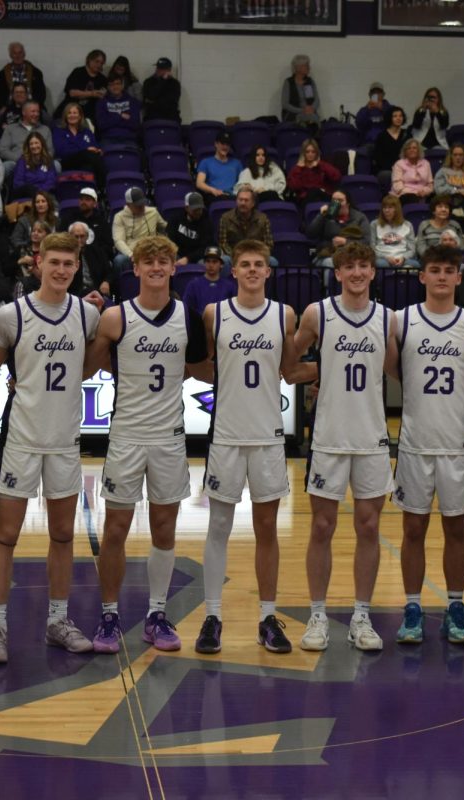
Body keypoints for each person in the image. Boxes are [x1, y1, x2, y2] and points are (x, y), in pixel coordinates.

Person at [0, 233, 103, 663]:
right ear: (38, 262)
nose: (62, 270)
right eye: (55, 263)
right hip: (22, 439)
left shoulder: (87, 315)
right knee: (6, 535)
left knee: (64, 534)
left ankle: (57, 620)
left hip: (65, 440)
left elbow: (89, 365)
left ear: (77, 264)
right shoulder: (12, 316)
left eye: (69, 263)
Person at [82, 236, 210, 653]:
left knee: (164, 529)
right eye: (148, 261)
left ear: (174, 268)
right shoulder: (116, 318)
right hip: (126, 436)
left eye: (164, 261)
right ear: (134, 269)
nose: (156, 267)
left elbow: (199, 367)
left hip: (169, 437)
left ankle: (157, 614)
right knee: (116, 528)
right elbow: (88, 366)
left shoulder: (188, 318)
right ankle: (109, 614)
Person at [290, 241, 396, 652]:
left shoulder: (387, 319)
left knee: (369, 527)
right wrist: (319, 370)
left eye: (362, 266)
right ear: (338, 273)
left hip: (371, 438)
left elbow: (396, 369)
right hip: (329, 437)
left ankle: (362, 616)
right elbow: (288, 363)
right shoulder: (319, 313)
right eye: (348, 266)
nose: (356, 273)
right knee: (321, 526)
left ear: (372, 272)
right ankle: (317, 615)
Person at [195, 239, 299, 655]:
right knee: (218, 528)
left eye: (259, 264)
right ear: (232, 271)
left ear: (268, 272)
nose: (253, 270)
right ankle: (212, 616)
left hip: (269, 436)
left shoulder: (284, 315)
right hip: (226, 435)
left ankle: (267, 618)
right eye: (245, 264)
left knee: (267, 530)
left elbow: (290, 370)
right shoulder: (213, 314)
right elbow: (200, 366)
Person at [390, 245, 464, 644]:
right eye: (435, 270)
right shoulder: (401, 321)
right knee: (413, 528)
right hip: (415, 443)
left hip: (458, 444)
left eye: (450, 270)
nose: (443, 276)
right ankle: (412, 607)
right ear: (422, 276)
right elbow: (395, 373)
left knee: (457, 531)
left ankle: (455, 606)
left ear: (459, 277)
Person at [309, 189, 370, 267]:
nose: (336, 203)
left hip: (352, 255)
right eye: (333, 200)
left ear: (348, 203)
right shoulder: (326, 216)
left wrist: (346, 242)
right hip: (328, 255)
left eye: (340, 200)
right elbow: (311, 234)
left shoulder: (359, 217)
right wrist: (321, 215)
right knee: (332, 263)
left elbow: (366, 241)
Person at [112, 187, 166, 272]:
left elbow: (165, 226)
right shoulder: (120, 217)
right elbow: (118, 241)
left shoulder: (153, 212)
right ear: (129, 204)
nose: (141, 207)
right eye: (138, 205)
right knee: (120, 260)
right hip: (131, 251)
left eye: (142, 203)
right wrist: (131, 255)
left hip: (152, 249)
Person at [0, 101, 53, 180]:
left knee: (56, 165)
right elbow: (3, 151)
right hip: (16, 162)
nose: (36, 114)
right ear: (24, 112)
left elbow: (50, 151)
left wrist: (37, 161)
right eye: (33, 111)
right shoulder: (11, 128)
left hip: (40, 163)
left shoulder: (45, 129)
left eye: (37, 111)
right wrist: (22, 161)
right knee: (6, 166)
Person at [52, 102, 103, 182]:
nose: (72, 115)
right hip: (67, 162)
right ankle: (102, 188)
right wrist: (85, 150)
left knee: (89, 166)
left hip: (86, 162)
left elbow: (95, 146)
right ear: (65, 116)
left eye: (75, 113)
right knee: (89, 156)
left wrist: (98, 150)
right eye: (69, 113)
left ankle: (95, 189)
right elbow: (61, 151)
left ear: (80, 116)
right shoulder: (59, 131)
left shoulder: (87, 131)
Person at [59, 187, 113, 261]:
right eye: (81, 199)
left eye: (87, 199)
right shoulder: (69, 219)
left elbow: (108, 247)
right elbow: (60, 240)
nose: (83, 202)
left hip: (97, 260)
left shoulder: (102, 222)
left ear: (95, 204)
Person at [181, 245, 236, 316]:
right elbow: (186, 310)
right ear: (204, 263)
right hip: (199, 325)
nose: (211, 265)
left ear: (221, 264)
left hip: (223, 324)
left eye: (214, 262)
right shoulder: (193, 285)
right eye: (208, 261)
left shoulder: (230, 286)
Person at [219, 186, 274, 258]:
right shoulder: (225, 218)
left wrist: (256, 256)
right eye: (240, 200)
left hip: (256, 255)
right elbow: (223, 243)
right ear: (236, 201)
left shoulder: (263, 219)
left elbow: (268, 244)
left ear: (253, 203)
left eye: (246, 200)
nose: (243, 203)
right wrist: (235, 256)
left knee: (272, 261)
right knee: (225, 259)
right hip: (233, 256)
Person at [0, 43, 49, 110]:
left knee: (46, 118)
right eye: (14, 53)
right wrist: (3, 107)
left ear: (24, 54)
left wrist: (33, 106)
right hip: (9, 107)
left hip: (32, 107)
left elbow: (41, 94)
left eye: (20, 53)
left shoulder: (36, 73)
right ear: (10, 55)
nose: (18, 56)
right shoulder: (1, 75)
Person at [66, 221, 113, 298]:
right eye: (76, 237)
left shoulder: (97, 251)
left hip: (97, 292)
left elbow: (109, 272)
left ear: (87, 236)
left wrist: (106, 282)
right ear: (70, 237)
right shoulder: (65, 254)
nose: (79, 240)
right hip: (74, 295)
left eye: (82, 236)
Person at [287, 139, 340, 208]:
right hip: (305, 200)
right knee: (313, 191)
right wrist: (299, 168)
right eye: (307, 152)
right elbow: (294, 186)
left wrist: (320, 165)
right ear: (303, 153)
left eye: (313, 152)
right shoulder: (297, 168)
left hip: (323, 196)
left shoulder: (322, 165)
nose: (310, 154)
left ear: (317, 153)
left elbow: (336, 177)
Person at [59, 49, 108, 122]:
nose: (99, 65)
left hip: (90, 113)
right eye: (97, 61)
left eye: (101, 63)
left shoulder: (102, 79)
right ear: (89, 60)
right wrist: (92, 94)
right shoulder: (78, 72)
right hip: (72, 108)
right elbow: (72, 93)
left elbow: (103, 96)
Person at [370, 195, 418, 269]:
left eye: (390, 207)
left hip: (402, 257)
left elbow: (412, 249)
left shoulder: (408, 225)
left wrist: (403, 258)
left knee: (415, 265)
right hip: (382, 258)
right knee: (381, 265)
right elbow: (372, 248)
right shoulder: (374, 224)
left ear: (397, 209)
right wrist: (386, 257)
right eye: (384, 207)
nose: (386, 210)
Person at [166, 191, 213, 266]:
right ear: (187, 208)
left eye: (200, 209)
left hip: (198, 257)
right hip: (178, 254)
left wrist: (188, 258)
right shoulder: (176, 219)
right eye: (195, 210)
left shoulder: (207, 222)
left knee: (205, 264)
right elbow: (170, 240)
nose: (198, 212)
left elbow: (205, 247)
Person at [196, 132, 244, 202]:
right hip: (215, 196)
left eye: (227, 144)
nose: (225, 147)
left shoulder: (237, 163)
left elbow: (242, 182)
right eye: (222, 144)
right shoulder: (205, 162)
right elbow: (199, 183)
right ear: (216, 144)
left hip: (233, 196)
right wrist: (213, 190)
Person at [434, 146, 464, 216]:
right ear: (451, 157)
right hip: (448, 203)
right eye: (455, 155)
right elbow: (438, 189)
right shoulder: (443, 171)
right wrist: (455, 190)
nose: (458, 158)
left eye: (461, 155)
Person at [417, 194, 464, 259]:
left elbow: (462, 246)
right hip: (431, 259)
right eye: (440, 207)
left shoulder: (455, 225)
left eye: (446, 207)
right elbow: (421, 248)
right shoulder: (424, 225)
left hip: (452, 258)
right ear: (433, 211)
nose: (444, 209)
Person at [10, 132, 56, 200]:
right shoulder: (22, 161)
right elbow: (18, 182)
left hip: (45, 195)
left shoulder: (48, 160)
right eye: (31, 144)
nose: (34, 146)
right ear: (28, 146)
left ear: (42, 144)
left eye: (36, 143)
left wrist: (40, 192)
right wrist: (32, 191)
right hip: (27, 196)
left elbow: (51, 181)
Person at [10, 190, 58, 256]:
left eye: (43, 201)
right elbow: (15, 240)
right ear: (34, 205)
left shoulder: (56, 221)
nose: (40, 204)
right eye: (37, 202)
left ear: (48, 204)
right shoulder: (24, 220)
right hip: (28, 253)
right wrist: (29, 247)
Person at [95, 74, 141, 142]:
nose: (115, 87)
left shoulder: (133, 102)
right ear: (107, 87)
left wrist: (111, 119)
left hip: (129, 138)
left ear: (123, 85)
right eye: (111, 84)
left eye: (118, 84)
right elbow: (101, 125)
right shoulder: (101, 103)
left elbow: (135, 124)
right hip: (108, 138)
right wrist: (120, 116)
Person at [371, 106, 410, 181]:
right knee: (387, 175)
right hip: (387, 169)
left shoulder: (407, 134)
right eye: (395, 116)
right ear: (390, 118)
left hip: (405, 167)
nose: (398, 118)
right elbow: (379, 158)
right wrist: (395, 168)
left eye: (400, 116)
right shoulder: (382, 136)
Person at [391, 139, 434, 206]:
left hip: (422, 194)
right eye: (409, 148)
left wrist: (425, 191)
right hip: (404, 194)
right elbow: (397, 185)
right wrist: (414, 193)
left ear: (419, 150)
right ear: (405, 151)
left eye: (414, 148)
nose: (412, 150)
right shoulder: (399, 164)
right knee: (412, 198)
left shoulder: (426, 163)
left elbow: (430, 184)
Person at [282, 55, 320, 127]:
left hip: (310, 113)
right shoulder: (288, 82)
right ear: (298, 67)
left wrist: (312, 108)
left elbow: (317, 100)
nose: (309, 67)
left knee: (312, 118)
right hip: (294, 114)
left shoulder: (310, 81)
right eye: (306, 65)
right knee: (311, 119)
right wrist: (302, 110)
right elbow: (285, 104)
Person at [142, 57, 182, 123]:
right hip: (152, 116)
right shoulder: (148, 82)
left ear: (169, 70)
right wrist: (162, 81)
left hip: (171, 117)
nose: (158, 70)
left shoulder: (175, 84)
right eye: (157, 67)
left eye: (161, 68)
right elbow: (150, 96)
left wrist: (154, 102)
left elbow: (173, 103)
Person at [355, 82, 392, 147]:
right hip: (368, 144)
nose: (376, 95)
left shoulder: (390, 109)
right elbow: (359, 124)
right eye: (374, 93)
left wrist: (383, 109)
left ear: (383, 94)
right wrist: (367, 109)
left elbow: (395, 123)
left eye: (379, 92)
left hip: (386, 144)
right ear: (369, 95)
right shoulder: (364, 110)